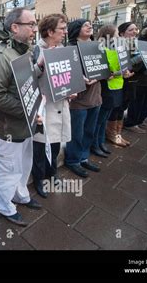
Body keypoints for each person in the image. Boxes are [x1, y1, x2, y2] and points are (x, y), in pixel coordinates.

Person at [0, 7, 42, 226]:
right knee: (8, 168)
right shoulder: (1, 56)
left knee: (23, 164)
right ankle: (5, 205)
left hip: (25, 125)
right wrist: (28, 112)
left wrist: (39, 69)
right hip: (7, 129)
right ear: (15, 27)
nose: (35, 29)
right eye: (31, 24)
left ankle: (20, 196)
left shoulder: (22, 52)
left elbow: (22, 82)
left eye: (35, 24)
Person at [31, 14, 72, 198]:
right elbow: (27, 79)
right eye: (62, 29)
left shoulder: (64, 50)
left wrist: (74, 87)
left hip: (61, 104)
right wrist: (40, 65)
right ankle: (39, 179)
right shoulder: (34, 51)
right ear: (49, 31)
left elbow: (69, 76)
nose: (65, 32)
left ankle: (52, 173)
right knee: (40, 147)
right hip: (44, 108)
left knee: (55, 144)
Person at [64, 19, 101, 178]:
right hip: (78, 100)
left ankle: (84, 157)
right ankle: (73, 161)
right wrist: (80, 79)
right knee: (76, 133)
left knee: (89, 131)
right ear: (76, 29)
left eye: (90, 24)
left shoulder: (96, 47)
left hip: (95, 97)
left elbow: (103, 68)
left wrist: (100, 75)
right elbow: (64, 74)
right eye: (85, 25)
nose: (90, 26)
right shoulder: (69, 49)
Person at [92, 25, 133, 157]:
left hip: (117, 87)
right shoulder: (101, 49)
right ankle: (95, 144)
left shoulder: (116, 49)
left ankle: (101, 142)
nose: (118, 38)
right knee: (99, 120)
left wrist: (124, 73)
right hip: (106, 89)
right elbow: (105, 71)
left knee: (105, 119)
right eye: (116, 35)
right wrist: (117, 73)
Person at [106, 22, 138, 146]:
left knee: (122, 107)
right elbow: (116, 65)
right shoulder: (115, 45)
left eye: (136, 29)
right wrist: (139, 59)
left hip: (129, 82)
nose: (134, 32)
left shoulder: (134, 45)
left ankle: (118, 133)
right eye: (131, 30)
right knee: (116, 108)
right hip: (118, 82)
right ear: (121, 33)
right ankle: (112, 134)